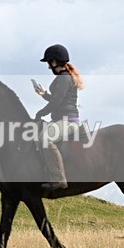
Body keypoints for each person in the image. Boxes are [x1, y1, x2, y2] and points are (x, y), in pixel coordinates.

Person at [33, 44, 85, 191]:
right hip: (61, 119)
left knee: (45, 139)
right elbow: (57, 100)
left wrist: (40, 113)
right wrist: (44, 94)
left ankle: (58, 178)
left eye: (49, 62)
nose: (48, 66)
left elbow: (56, 102)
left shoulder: (63, 78)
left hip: (67, 121)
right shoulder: (65, 77)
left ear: (55, 62)